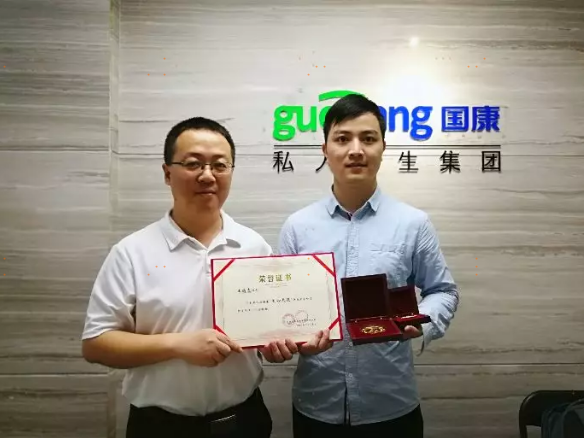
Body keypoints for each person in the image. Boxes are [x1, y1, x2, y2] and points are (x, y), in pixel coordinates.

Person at [81, 116, 328, 438]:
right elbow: (96, 344)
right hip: (159, 428)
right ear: (167, 173)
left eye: (220, 165)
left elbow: (267, 328)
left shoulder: (253, 246)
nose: (208, 175)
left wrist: (276, 344)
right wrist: (178, 344)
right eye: (193, 164)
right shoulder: (132, 252)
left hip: (243, 422)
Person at [276, 94, 460, 438]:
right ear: (325, 149)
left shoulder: (413, 224)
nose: (356, 150)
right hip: (317, 404)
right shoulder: (297, 228)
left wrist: (420, 320)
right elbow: (282, 305)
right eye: (343, 138)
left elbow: (443, 291)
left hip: (390, 405)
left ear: (383, 148)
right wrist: (280, 338)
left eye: (368, 138)